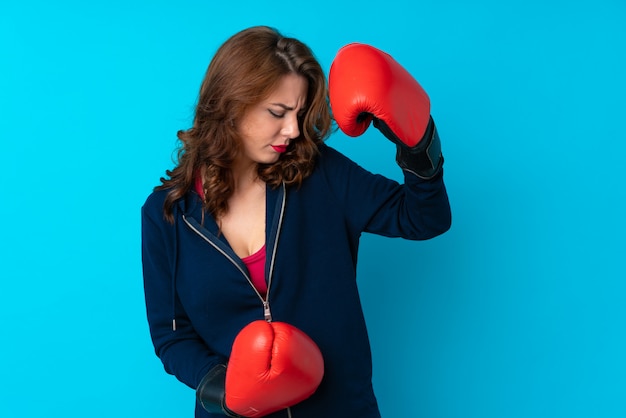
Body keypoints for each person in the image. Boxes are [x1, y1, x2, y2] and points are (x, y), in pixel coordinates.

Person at [141, 25, 451, 418]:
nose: (292, 130)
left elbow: (424, 219)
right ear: (231, 105)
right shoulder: (167, 214)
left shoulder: (319, 174)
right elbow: (171, 335)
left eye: (299, 113)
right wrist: (228, 390)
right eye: (277, 112)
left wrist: (419, 145)